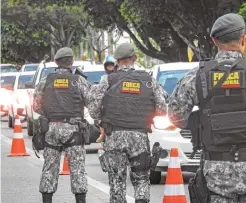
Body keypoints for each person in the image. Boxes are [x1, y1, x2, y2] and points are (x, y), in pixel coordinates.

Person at [168, 13, 246, 203]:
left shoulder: (196, 76)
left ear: (214, 41)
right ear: (243, 38)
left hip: (215, 176)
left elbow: (175, 116)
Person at [88, 43, 167, 203]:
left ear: (117, 61)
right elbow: (162, 109)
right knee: (142, 179)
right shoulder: (148, 80)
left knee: (117, 182)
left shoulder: (107, 80)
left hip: (114, 136)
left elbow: (94, 111)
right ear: (135, 59)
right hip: (139, 136)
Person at [33, 47, 91, 203]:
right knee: (77, 170)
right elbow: (91, 103)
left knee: (49, 169)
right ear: (71, 62)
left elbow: (36, 106)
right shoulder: (79, 81)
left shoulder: (46, 81)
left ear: (56, 62)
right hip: (74, 131)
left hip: (51, 130)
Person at [97, 55, 117, 143]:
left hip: (120, 103)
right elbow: (100, 93)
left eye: (112, 65)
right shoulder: (104, 78)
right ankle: (102, 134)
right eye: (108, 66)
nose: (110, 68)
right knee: (101, 115)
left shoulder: (121, 76)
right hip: (109, 103)